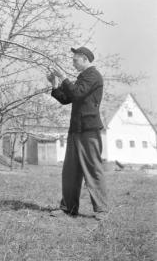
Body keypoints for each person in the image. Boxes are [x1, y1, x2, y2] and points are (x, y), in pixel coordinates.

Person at [47, 46, 108, 220]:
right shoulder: (83, 77)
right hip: (76, 129)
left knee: (93, 168)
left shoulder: (93, 75)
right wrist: (55, 84)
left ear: (85, 59)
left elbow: (77, 93)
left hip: (89, 129)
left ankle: (102, 210)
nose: (73, 62)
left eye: (75, 60)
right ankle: (68, 209)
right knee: (70, 170)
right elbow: (67, 99)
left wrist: (63, 77)